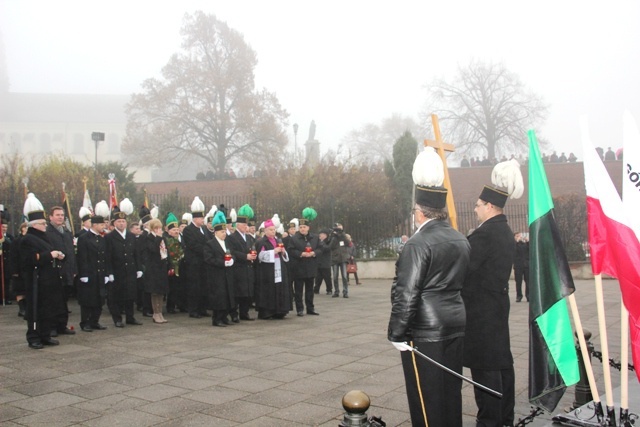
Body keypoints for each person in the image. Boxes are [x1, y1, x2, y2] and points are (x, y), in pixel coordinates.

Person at [388, 147, 471, 427]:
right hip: (455, 323)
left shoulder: (417, 244)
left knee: (426, 401)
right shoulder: (460, 239)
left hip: (424, 330)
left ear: (419, 212)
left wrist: (397, 332)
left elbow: (407, 293)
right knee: (449, 394)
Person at [462, 159, 523, 427]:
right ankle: (504, 418)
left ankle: (490, 421)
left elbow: (464, 270)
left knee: (486, 371)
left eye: (477, 205)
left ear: (488, 206)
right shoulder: (505, 231)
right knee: (501, 365)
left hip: (480, 314)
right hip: (496, 308)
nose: (475, 209)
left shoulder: (485, 235)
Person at [19, 193, 67, 349]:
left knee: (48, 308)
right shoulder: (27, 239)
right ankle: (33, 337)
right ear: (34, 225)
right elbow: (30, 259)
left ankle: (45, 335)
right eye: (42, 223)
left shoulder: (44, 237)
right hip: (36, 280)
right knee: (35, 310)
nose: (45, 225)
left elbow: (50, 251)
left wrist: (58, 255)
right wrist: (49, 255)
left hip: (49, 279)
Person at [104, 201, 143, 327]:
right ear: (114, 223)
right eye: (119, 222)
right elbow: (107, 256)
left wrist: (139, 268)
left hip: (130, 270)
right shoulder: (109, 237)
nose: (121, 223)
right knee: (117, 296)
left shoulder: (132, 236)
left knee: (131, 295)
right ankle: (118, 319)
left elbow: (136, 253)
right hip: (117, 271)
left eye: (123, 221)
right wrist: (109, 272)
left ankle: (130, 317)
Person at [76, 201, 111, 332]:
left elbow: (106, 257)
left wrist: (107, 273)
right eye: (102, 224)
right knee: (88, 300)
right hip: (89, 274)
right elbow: (82, 257)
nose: (104, 226)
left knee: (99, 299)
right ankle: (85, 322)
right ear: (94, 225)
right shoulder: (84, 238)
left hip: (100, 273)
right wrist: (83, 274)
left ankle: (95, 321)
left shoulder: (102, 239)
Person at [45, 206, 77, 336]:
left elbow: (71, 253)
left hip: (67, 271)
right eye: (57, 215)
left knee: (64, 300)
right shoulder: (47, 233)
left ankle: (62, 325)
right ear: (51, 217)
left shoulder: (67, 232)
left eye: (62, 215)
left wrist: (74, 269)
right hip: (54, 271)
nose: (60, 217)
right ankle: (52, 327)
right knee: (53, 301)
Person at [203, 211, 236, 326]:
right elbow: (209, 259)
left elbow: (233, 253)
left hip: (227, 274)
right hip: (216, 275)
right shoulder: (210, 244)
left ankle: (224, 317)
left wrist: (232, 260)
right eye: (222, 232)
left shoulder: (227, 243)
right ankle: (217, 319)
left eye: (224, 232)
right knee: (219, 297)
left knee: (227, 296)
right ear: (216, 232)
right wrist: (222, 263)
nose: (224, 234)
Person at [288, 207, 322, 316]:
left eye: (304, 227)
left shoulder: (315, 238)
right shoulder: (294, 238)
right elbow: (290, 250)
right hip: (299, 267)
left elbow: (321, 249)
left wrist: (314, 253)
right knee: (298, 290)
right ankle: (299, 309)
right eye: (301, 227)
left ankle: (310, 308)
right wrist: (301, 254)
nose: (303, 229)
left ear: (308, 228)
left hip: (311, 267)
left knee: (310, 290)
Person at [256, 218, 291, 319]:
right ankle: (268, 312)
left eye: (274, 229)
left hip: (279, 267)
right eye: (270, 229)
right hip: (268, 270)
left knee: (280, 288)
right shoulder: (262, 241)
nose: (273, 231)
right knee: (269, 290)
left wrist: (283, 252)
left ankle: (280, 311)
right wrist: (273, 251)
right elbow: (260, 256)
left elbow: (284, 255)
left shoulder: (278, 240)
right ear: (265, 231)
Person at [227, 204, 257, 322]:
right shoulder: (232, 238)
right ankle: (234, 313)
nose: (246, 227)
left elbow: (252, 248)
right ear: (238, 225)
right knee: (238, 292)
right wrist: (246, 256)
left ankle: (245, 313)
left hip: (248, 268)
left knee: (247, 292)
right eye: (244, 225)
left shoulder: (249, 238)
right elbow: (232, 252)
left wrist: (253, 254)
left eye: (246, 225)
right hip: (238, 268)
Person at [182, 196, 210, 318]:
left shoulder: (203, 229)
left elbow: (208, 241)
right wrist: (207, 251)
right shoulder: (188, 230)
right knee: (194, 287)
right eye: (201, 218)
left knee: (203, 286)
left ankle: (202, 308)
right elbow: (193, 245)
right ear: (196, 218)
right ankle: (193, 310)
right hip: (194, 263)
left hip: (203, 262)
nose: (203, 220)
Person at [145, 218, 169, 324]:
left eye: (160, 228)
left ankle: (160, 312)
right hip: (153, 269)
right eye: (156, 228)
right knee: (155, 292)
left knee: (161, 292)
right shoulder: (149, 238)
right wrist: (158, 238)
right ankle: (156, 313)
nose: (159, 230)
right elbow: (153, 250)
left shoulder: (162, 238)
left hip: (162, 267)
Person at [164, 213, 186, 314]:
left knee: (181, 287)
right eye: (173, 230)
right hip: (172, 267)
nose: (176, 231)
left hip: (181, 266)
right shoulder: (167, 240)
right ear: (168, 231)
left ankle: (181, 305)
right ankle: (170, 307)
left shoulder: (181, 238)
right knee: (172, 288)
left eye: (177, 230)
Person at [328, 223, 350, 298]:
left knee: (344, 276)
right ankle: (336, 291)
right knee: (335, 276)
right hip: (335, 258)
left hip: (343, 258)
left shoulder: (343, 236)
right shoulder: (333, 237)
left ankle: (345, 291)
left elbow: (348, 243)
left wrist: (341, 234)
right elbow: (330, 246)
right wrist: (334, 236)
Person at [313, 229, 332, 295]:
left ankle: (329, 289)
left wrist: (322, 242)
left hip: (325, 262)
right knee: (318, 278)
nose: (320, 235)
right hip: (318, 262)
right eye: (320, 234)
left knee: (327, 277)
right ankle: (316, 289)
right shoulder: (317, 242)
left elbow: (327, 248)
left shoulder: (328, 241)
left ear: (325, 235)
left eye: (322, 234)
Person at [513, 232, 529, 303]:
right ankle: (519, 296)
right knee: (518, 282)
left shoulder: (525, 244)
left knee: (528, 282)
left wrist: (528, 242)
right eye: (517, 236)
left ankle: (529, 296)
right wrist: (516, 242)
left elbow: (530, 250)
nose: (519, 237)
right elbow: (514, 251)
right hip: (518, 266)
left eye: (520, 235)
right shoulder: (514, 245)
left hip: (526, 265)